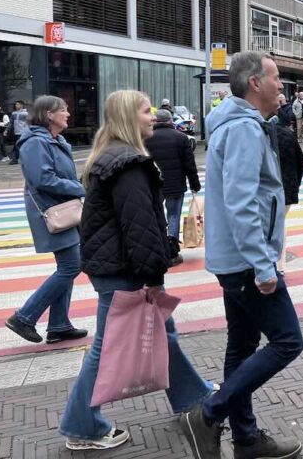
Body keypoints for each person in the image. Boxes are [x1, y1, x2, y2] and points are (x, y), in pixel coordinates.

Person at [60, 90, 215, 450]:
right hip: (123, 269)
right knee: (106, 346)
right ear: (131, 117)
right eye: (147, 111)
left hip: (113, 264)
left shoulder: (111, 156)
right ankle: (82, 426)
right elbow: (140, 226)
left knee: (165, 332)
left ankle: (193, 395)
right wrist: (155, 278)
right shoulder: (129, 164)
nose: (154, 116)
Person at [181, 51, 303, 459]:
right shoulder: (245, 130)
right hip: (248, 263)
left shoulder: (236, 125)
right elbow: (241, 201)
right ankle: (209, 413)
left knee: (242, 347)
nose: (281, 84)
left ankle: (246, 439)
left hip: (235, 260)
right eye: (276, 77)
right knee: (287, 341)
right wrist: (263, 264)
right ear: (255, 83)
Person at [4, 96, 87, 345]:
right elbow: (43, 180)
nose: (68, 114)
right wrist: (79, 188)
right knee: (72, 266)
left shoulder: (56, 140)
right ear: (49, 114)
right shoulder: (35, 143)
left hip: (63, 209)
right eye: (64, 110)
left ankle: (59, 324)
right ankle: (24, 317)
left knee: (69, 266)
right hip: (51, 212)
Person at [145, 109, 202, 266]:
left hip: (153, 184)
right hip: (175, 184)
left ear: (156, 121)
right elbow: (189, 165)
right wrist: (194, 184)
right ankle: (172, 249)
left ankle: (159, 247)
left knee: (157, 215)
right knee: (174, 215)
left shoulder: (146, 139)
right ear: (171, 121)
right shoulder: (181, 138)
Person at [276, 94, 303, 275]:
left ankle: (271, 264)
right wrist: (296, 184)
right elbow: (301, 161)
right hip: (287, 189)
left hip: (267, 190)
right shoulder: (288, 135)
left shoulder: (260, 132)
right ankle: (280, 265)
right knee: (280, 224)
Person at [6, 101, 29, 165]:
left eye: (17, 104)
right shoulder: (14, 113)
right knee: (18, 146)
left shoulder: (26, 113)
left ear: (21, 105)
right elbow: (11, 123)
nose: (16, 105)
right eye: (16, 104)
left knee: (18, 146)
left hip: (23, 132)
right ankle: (19, 159)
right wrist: (7, 130)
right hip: (16, 132)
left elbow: (28, 123)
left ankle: (16, 159)